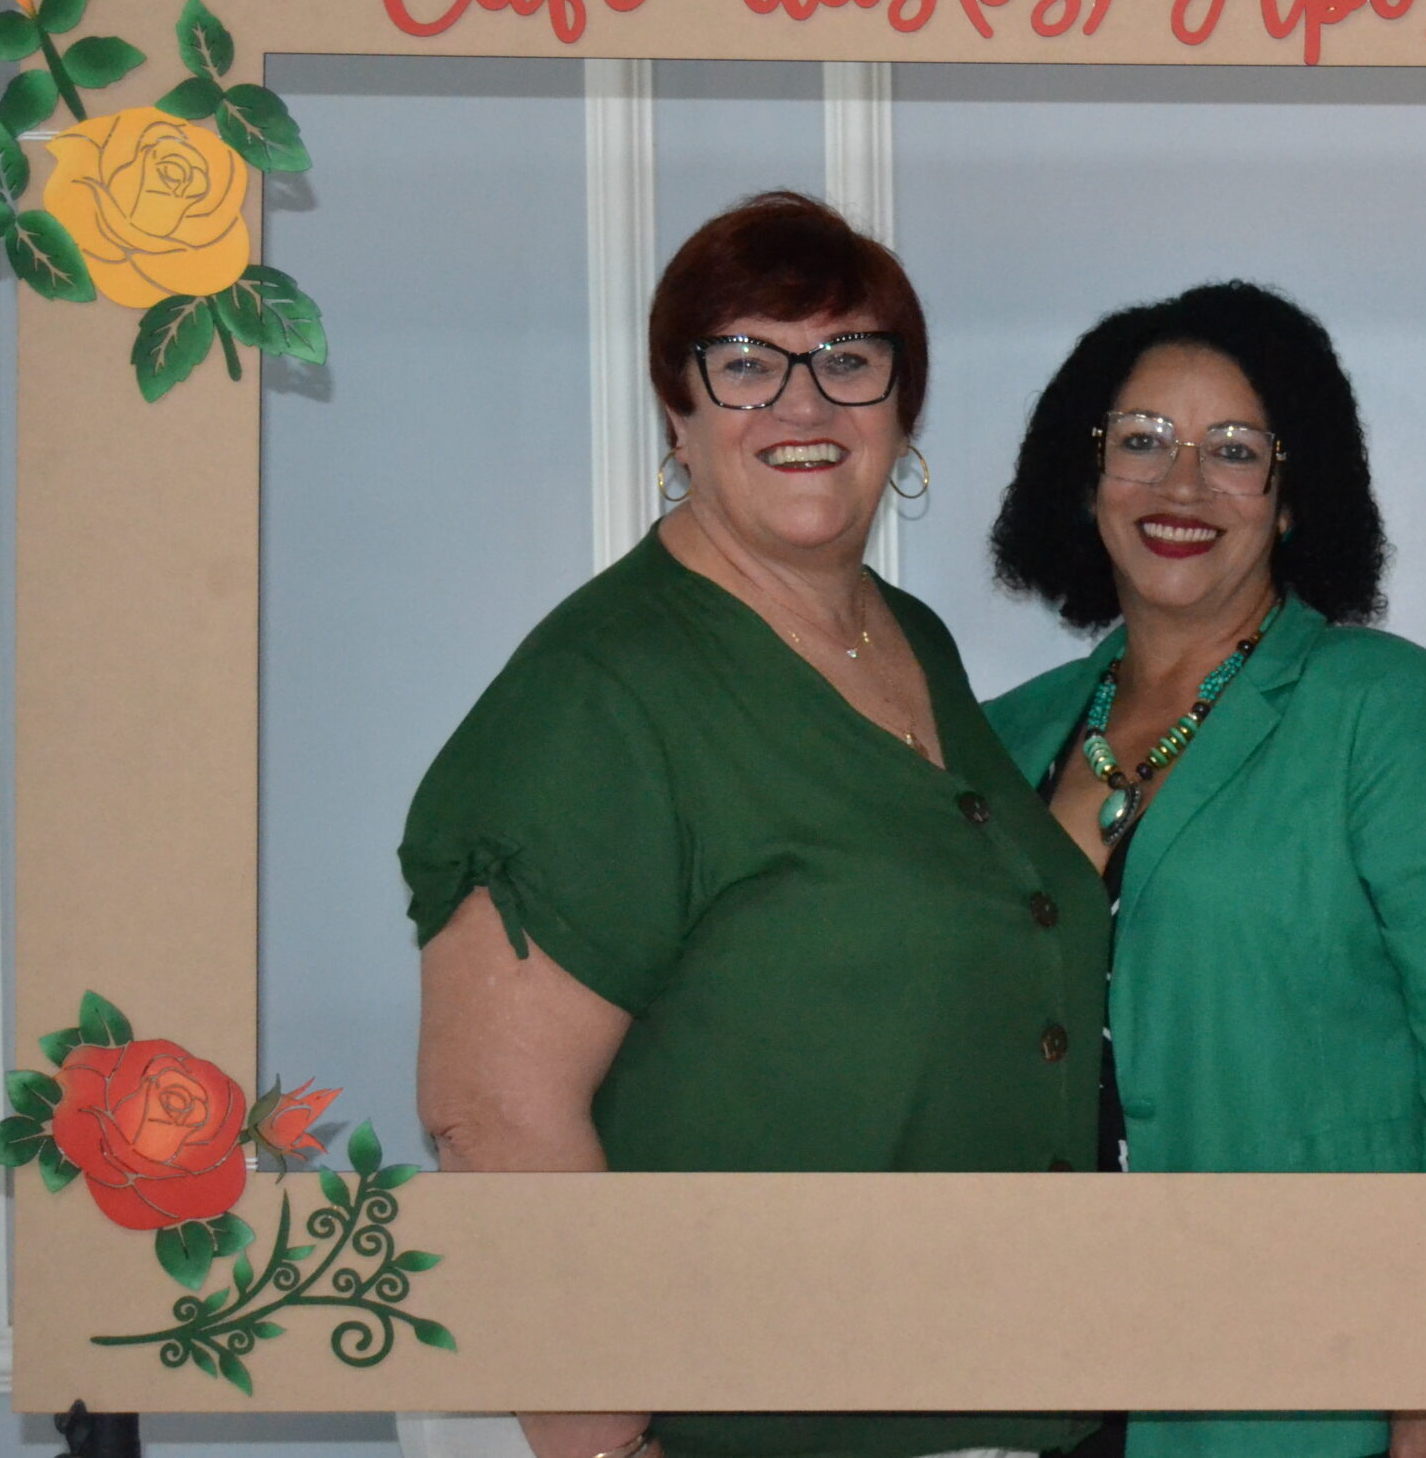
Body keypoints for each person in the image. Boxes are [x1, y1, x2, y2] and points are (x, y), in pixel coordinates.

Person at [403, 191, 1108, 1458]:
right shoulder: (602, 688)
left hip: (985, 1387)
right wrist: (598, 1442)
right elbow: (490, 1115)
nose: (803, 404)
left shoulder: (910, 640)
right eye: (744, 363)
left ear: (902, 408)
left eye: (848, 359)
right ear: (676, 412)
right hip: (750, 1418)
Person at [985, 283, 1426, 1458]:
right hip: (1045, 1361)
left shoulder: (1386, 713)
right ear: (1084, 477)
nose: (1181, 485)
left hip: (1313, 1375)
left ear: (1293, 499)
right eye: (1141, 440)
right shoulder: (1005, 735)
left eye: (1235, 451)